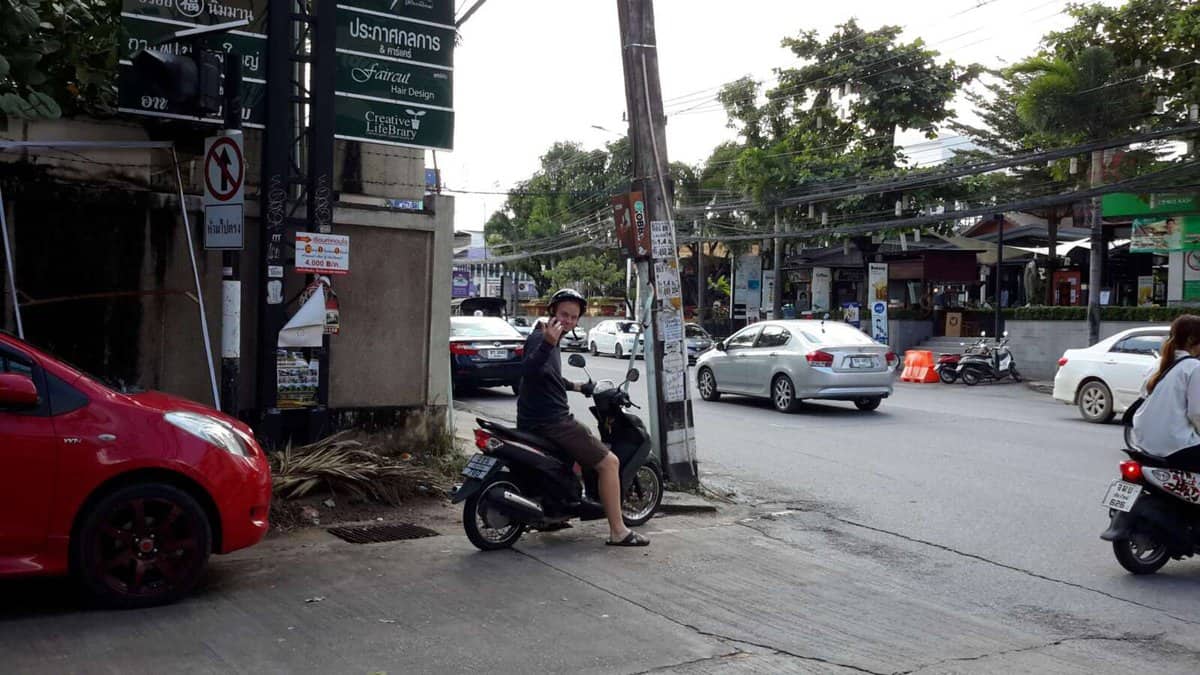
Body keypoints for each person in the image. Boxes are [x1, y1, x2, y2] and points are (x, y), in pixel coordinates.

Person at [517, 288, 650, 547]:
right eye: (563, 314)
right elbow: (528, 370)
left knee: (571, 463)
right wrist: (547, 344)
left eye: (573, 317)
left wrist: (579, 386)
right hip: (553, 422)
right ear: (552, 312)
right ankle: (619, 531)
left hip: (535, 420)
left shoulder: (548, 341)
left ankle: (555, 512)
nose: (567, 320)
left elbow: (548, 378)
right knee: (609, 463)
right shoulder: (542, 339)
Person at [1132, 315, 1200, 461]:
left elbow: (1143, 396)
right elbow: (1196, 413)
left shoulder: (1158, 363)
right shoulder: (1193, 367)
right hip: (1174, 444)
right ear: (1192, 340)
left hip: (1141, 440)